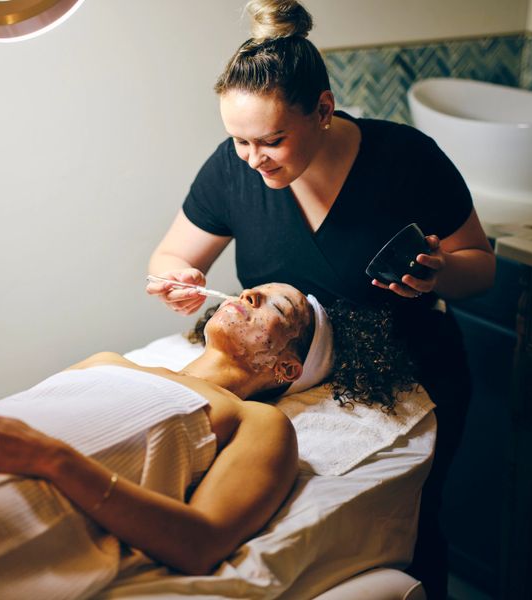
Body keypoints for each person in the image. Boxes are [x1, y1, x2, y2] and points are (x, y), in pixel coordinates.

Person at [145, 1, 496, 597]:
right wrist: (176, 280)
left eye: (272, 140)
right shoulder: (235, 170)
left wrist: (438, 276)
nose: (253, 158)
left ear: (324, 111)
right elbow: (169, 259)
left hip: (410, 377)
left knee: (412, 533)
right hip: (295, 386)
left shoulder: (405, 159)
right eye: (238, 141)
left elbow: (481, 268)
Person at [0, 283, 334, 600]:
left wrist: (50, 459)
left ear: (287, 366)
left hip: (12, 498)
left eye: (276, 310)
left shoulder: (257, 423)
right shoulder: (109, 361)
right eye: (255, 289)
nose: (251, 293)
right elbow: (13, 417)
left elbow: (201, 543)